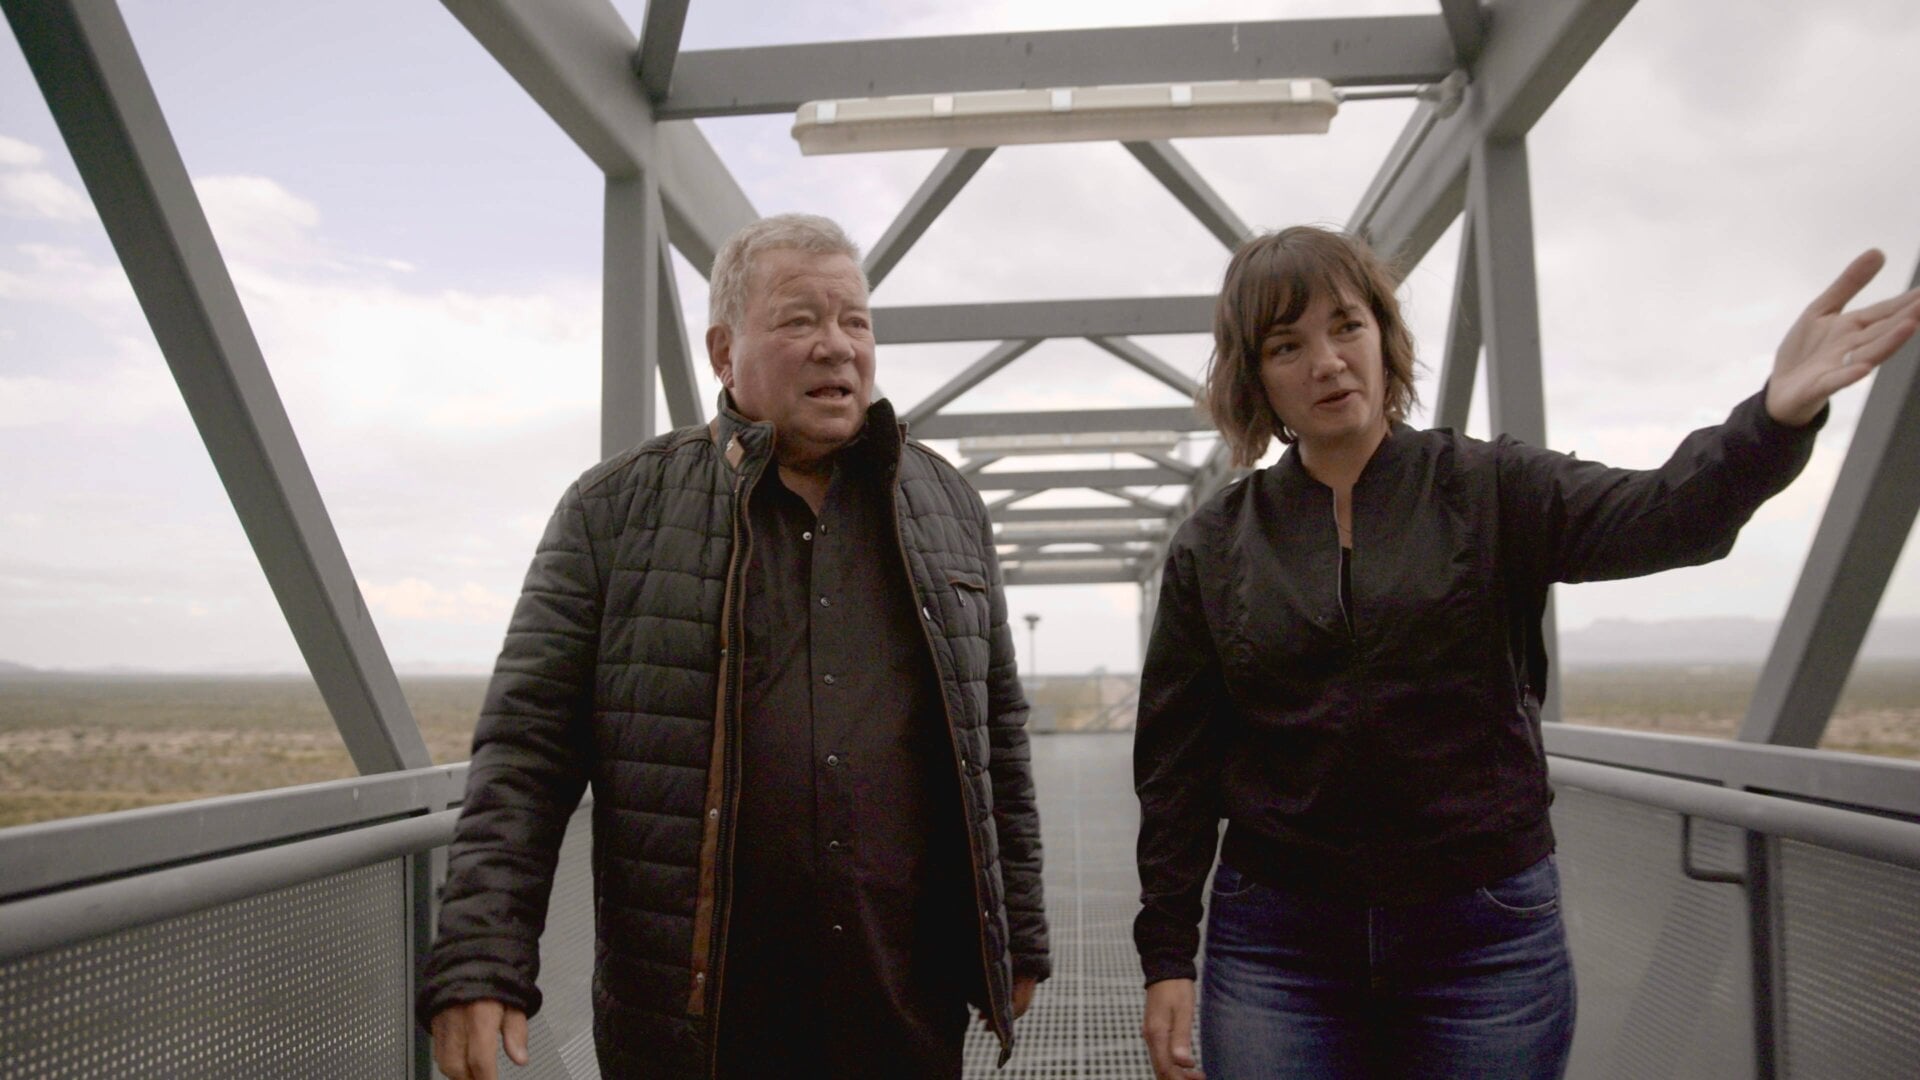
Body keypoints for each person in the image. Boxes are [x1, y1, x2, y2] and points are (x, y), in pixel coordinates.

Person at [1133, 225, 1920, 1080]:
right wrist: (1169, 952)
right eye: (1288, 345)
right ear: (1257, 380)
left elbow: (1666, 515)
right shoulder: (1215, 545)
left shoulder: (1488, 488)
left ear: (1384, 337)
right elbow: (1177, 764)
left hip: (1481, 935)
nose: (1326, 361)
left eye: (1347, 326)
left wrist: (1773, 416)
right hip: (1279, 944)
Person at [418, 213, 1049, 1079]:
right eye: (799, 320)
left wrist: (1020, 933)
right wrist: (481, 957)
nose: (837, 347)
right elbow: (525, 752)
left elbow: (998, 737)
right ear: (722, 351)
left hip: (901, 1010)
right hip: (696, 1030)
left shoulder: (946, 508)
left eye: (855, 322)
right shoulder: (614, 512)